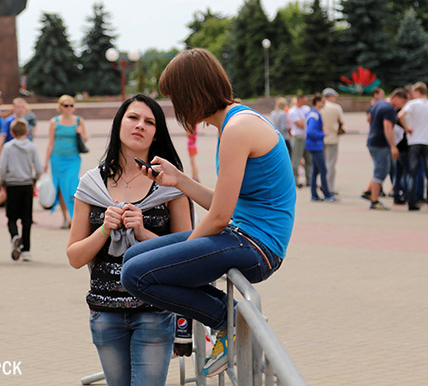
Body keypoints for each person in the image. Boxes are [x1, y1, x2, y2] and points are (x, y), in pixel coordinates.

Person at [120, 49, 295, 377]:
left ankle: (228, 321)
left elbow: (219, 217)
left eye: (176, 98)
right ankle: (231, 318)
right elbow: (224, 206)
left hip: (257, 246)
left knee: (136, 275)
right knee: (133, 258)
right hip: (242, 235)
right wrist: (179, 180)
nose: (176, 108)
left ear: (192, 93)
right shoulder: (233, 123)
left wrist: (181, 257)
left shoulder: (237, 128)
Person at [67, 94, 191, 386]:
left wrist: (143, 233)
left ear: (156, 133)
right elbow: (74, 257)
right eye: (133, 117)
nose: (140, 125)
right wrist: (104, 230)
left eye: (149, 122)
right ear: (119, 124)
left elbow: (186, 255)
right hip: (105, 313)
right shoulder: (91, 184)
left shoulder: (170, 185)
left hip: (154, 311)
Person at [0, 119, 42, 262]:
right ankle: (26, 250)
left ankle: (15, 236)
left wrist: (2, 181)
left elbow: (2, 167)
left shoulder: (7, 147)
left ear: (12, 133)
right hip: (27, 184)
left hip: (12, 185)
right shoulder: (32, 147)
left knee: (11, 217)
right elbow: (39, 167)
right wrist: (35, 178)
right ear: (27, 131)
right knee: (27, 218)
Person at [0, 98, 38, 221]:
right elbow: (1, 139)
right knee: (12, 186)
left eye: (22, 107)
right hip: (12, 157)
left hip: (24, 157)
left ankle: (25, 214)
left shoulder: (25, 122)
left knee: (24, 186)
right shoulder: (9, 121)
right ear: (13, 108)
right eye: (18, 107)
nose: (20, 109)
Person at [398, 82, 428, 211]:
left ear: (418, 91)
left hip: (414, 141)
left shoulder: (412, 104)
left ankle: (411, 202)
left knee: (412, 173)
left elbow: (400, 115)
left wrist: (407, 128)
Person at [45, 95, 88, 229]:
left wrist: (80, 133)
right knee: (60, 187)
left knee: (72, 186)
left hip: (73, 159)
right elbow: (50, 143)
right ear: (60, 107)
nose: (69, 108)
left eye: (71, 105)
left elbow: (85, 139)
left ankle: (75, 216)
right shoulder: (54, 122)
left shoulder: (79, 121)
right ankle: (66, 218)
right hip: (57, 159)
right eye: (66, 105)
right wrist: (46, 162)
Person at [365, 89, 408, 210]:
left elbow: (369, 119)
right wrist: (393, 146)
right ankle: (374, 200)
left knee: (378, 168)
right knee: (381, 171)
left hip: (372, 141)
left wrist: (374, 129)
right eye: (403, 102)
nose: (402, 105)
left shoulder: (379, 103)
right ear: (397, 98)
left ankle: (369, 192)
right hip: (381, 144)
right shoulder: (389, 109)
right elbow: (387, 127)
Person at [306, 94, 336, 202]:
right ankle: (326, 193)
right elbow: (310, 132)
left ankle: (314, 194)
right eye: (322, 102)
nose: (324, 104)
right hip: (315, 145)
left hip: (314, 145)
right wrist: (323, 134)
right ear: (317, 102)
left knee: (315, 170)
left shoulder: (314, 114)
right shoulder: (314, 115)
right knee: (323, 170)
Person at [320, 88, 344, 194]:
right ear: (330, 96)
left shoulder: (320, 107)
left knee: (322, 163)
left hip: (321, 139)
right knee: (331, 164)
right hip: (333, 138)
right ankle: (329, 187)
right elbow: (341, 121)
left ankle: (322, 184)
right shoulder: (336, 107)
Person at [287, 94, 311, 187]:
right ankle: (295, 181)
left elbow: (309, 122)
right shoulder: (293, 111)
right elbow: (300, 124)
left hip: (306, 137)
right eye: (304, 99)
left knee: (309, 160)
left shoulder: (306, 109)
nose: (306, 101)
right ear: (299, 99)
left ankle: (309, 180)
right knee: (296, 160)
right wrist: (307, 122)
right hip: (298, 137)